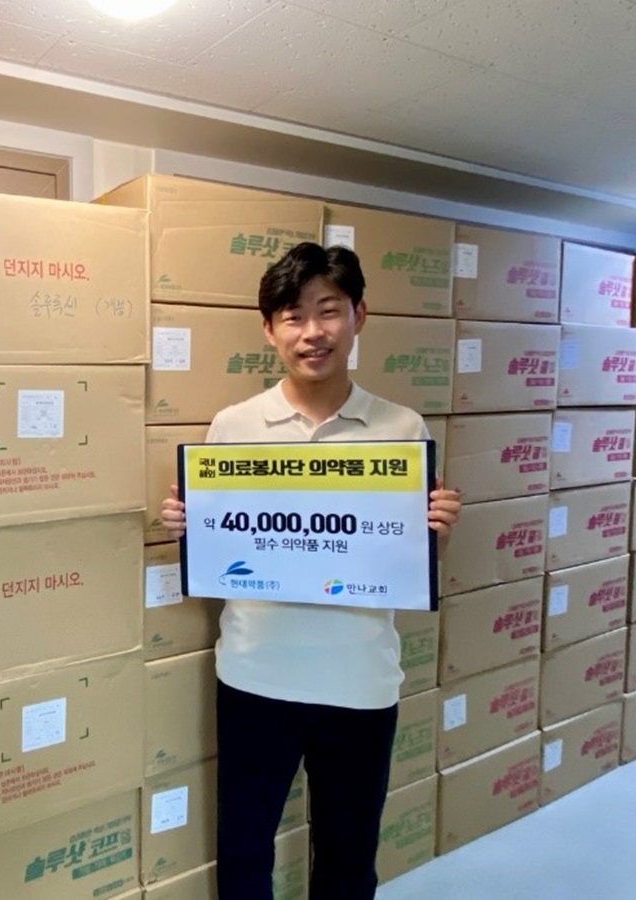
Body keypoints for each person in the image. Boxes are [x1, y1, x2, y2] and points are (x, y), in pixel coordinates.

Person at [160, 242, 462, 900]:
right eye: (293, 316)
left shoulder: (400, 428)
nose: (312, 332)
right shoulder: (234, 426)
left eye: (329, 311)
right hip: (255, 674)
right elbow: (221, 550)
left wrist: (434, 532)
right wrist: (190, 527)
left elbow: (406, 563)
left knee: (348, 860)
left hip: (360, 680)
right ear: (269, 330)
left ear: (359, 317)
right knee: (244, 852)